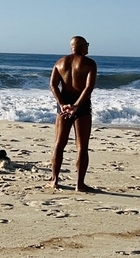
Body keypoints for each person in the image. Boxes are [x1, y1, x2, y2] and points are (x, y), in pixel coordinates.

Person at [48, 36, 97, 192]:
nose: (88, 47)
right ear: (81, 46)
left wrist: (62, 104)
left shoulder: (59, 63)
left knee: (59, 144)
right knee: (82, 147)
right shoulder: (89, 64)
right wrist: (76, 105)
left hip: (63, 106)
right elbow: (88, 88)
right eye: (87, 45)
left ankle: (54, 180)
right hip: (81, 107)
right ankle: (79, 184)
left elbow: (53, 85)